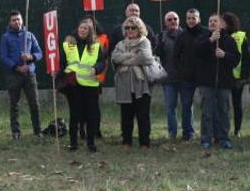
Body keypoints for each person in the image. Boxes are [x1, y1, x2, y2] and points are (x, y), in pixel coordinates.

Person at [194, 13, 240, 150]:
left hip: (224, 82)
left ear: (221, 24)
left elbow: (236, 59)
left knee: (223, 112)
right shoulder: (202, 37)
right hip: (206, 82)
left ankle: (224, 138)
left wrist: (225, 55)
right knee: (207, 112)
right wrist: (210, 40)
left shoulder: (229, 40)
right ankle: (205, 139)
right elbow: (196, 52)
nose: (212, 23)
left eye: (215, 21)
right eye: (210, 21)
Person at [60, 18, 106, 152]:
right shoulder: (67, 44)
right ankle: (73, 144)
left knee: (91, 115)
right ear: (77, 29)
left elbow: (102, 62)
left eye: (86, 28)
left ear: (90, 31)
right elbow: (61, 61)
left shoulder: (96, 45)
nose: (83, 30)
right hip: (73, 84)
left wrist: (96, 69)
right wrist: (57, 72)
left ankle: (90, 143)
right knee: (75, 115)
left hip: (90, 84)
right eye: (81, 27)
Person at [0, 10, 43, 141]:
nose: (17, 22)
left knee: (34, 103)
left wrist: (31, 57)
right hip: (14, 75)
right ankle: (16, 132)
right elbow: (4, 56)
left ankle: (37, 130)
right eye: (14, 20)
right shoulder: (5, 37)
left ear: (22, 20)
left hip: (29, 74)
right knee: (14, 104)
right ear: (10, 22)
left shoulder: (29, 35)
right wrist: (17, 67)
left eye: (18, 19)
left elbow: (39, 53)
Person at [111, 16, 155, 149]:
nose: (130, 30)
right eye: (127, 28)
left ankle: (144, 143)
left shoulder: (144, 42)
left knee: (143, 115)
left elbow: (146, 58)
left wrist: (124, 59)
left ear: (139, 29)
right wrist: (133, 56)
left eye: (133, 27)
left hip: (142, 85)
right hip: (124, 85)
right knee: (126, 116)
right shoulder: (120, 44)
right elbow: (114, 58)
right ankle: (127, 141)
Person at [171, 8, 207, 141]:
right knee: (186, 106)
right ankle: (188, 133)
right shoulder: (182, 35)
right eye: (189, 18)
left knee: (206, 106)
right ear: (186, 19)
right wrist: (181, 71)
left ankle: (206, 132)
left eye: (194, 18)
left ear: (199, 19)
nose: (191, 21)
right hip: (186, 78)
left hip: (203, 76)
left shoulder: (206, 33)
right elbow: (176, 56)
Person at [156, 11, 184, 140]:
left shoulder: (185, 35)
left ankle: (188, 132)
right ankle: (172, 132)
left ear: (179, 20)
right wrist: (159, 45)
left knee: (187, 106)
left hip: (184, 78)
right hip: (168, 78)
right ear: (165, 22)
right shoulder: (161, 36)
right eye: (169, 19)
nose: (173, 21)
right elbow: (157, 56)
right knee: (170, 107)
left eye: (175, 19)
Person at [226, 13, 249, 138]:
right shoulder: (220, 35)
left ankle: (237, 129)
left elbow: (246, 57)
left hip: (237, 76)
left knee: (237, 104)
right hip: (225, 75)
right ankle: (225, 128)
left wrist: (244, 76)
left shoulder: (241, 36)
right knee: (225, 104)